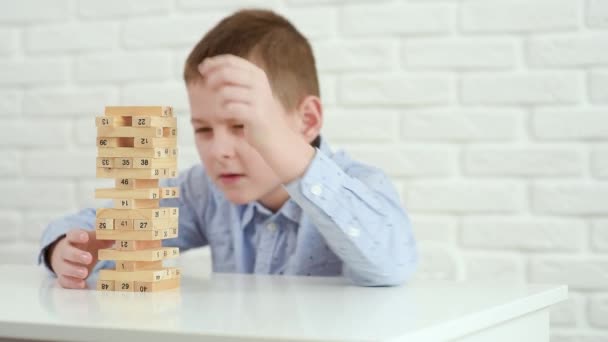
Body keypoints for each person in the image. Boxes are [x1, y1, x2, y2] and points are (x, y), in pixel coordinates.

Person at [38, 9, 418, 289]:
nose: (219, 149)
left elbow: (392, 263)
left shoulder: (360, 186)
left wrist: (286, 152)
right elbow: (96, 224)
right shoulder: (205, 192)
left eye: (243, 126)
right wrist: (66, 250)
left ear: (306, 121)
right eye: (203, 129)